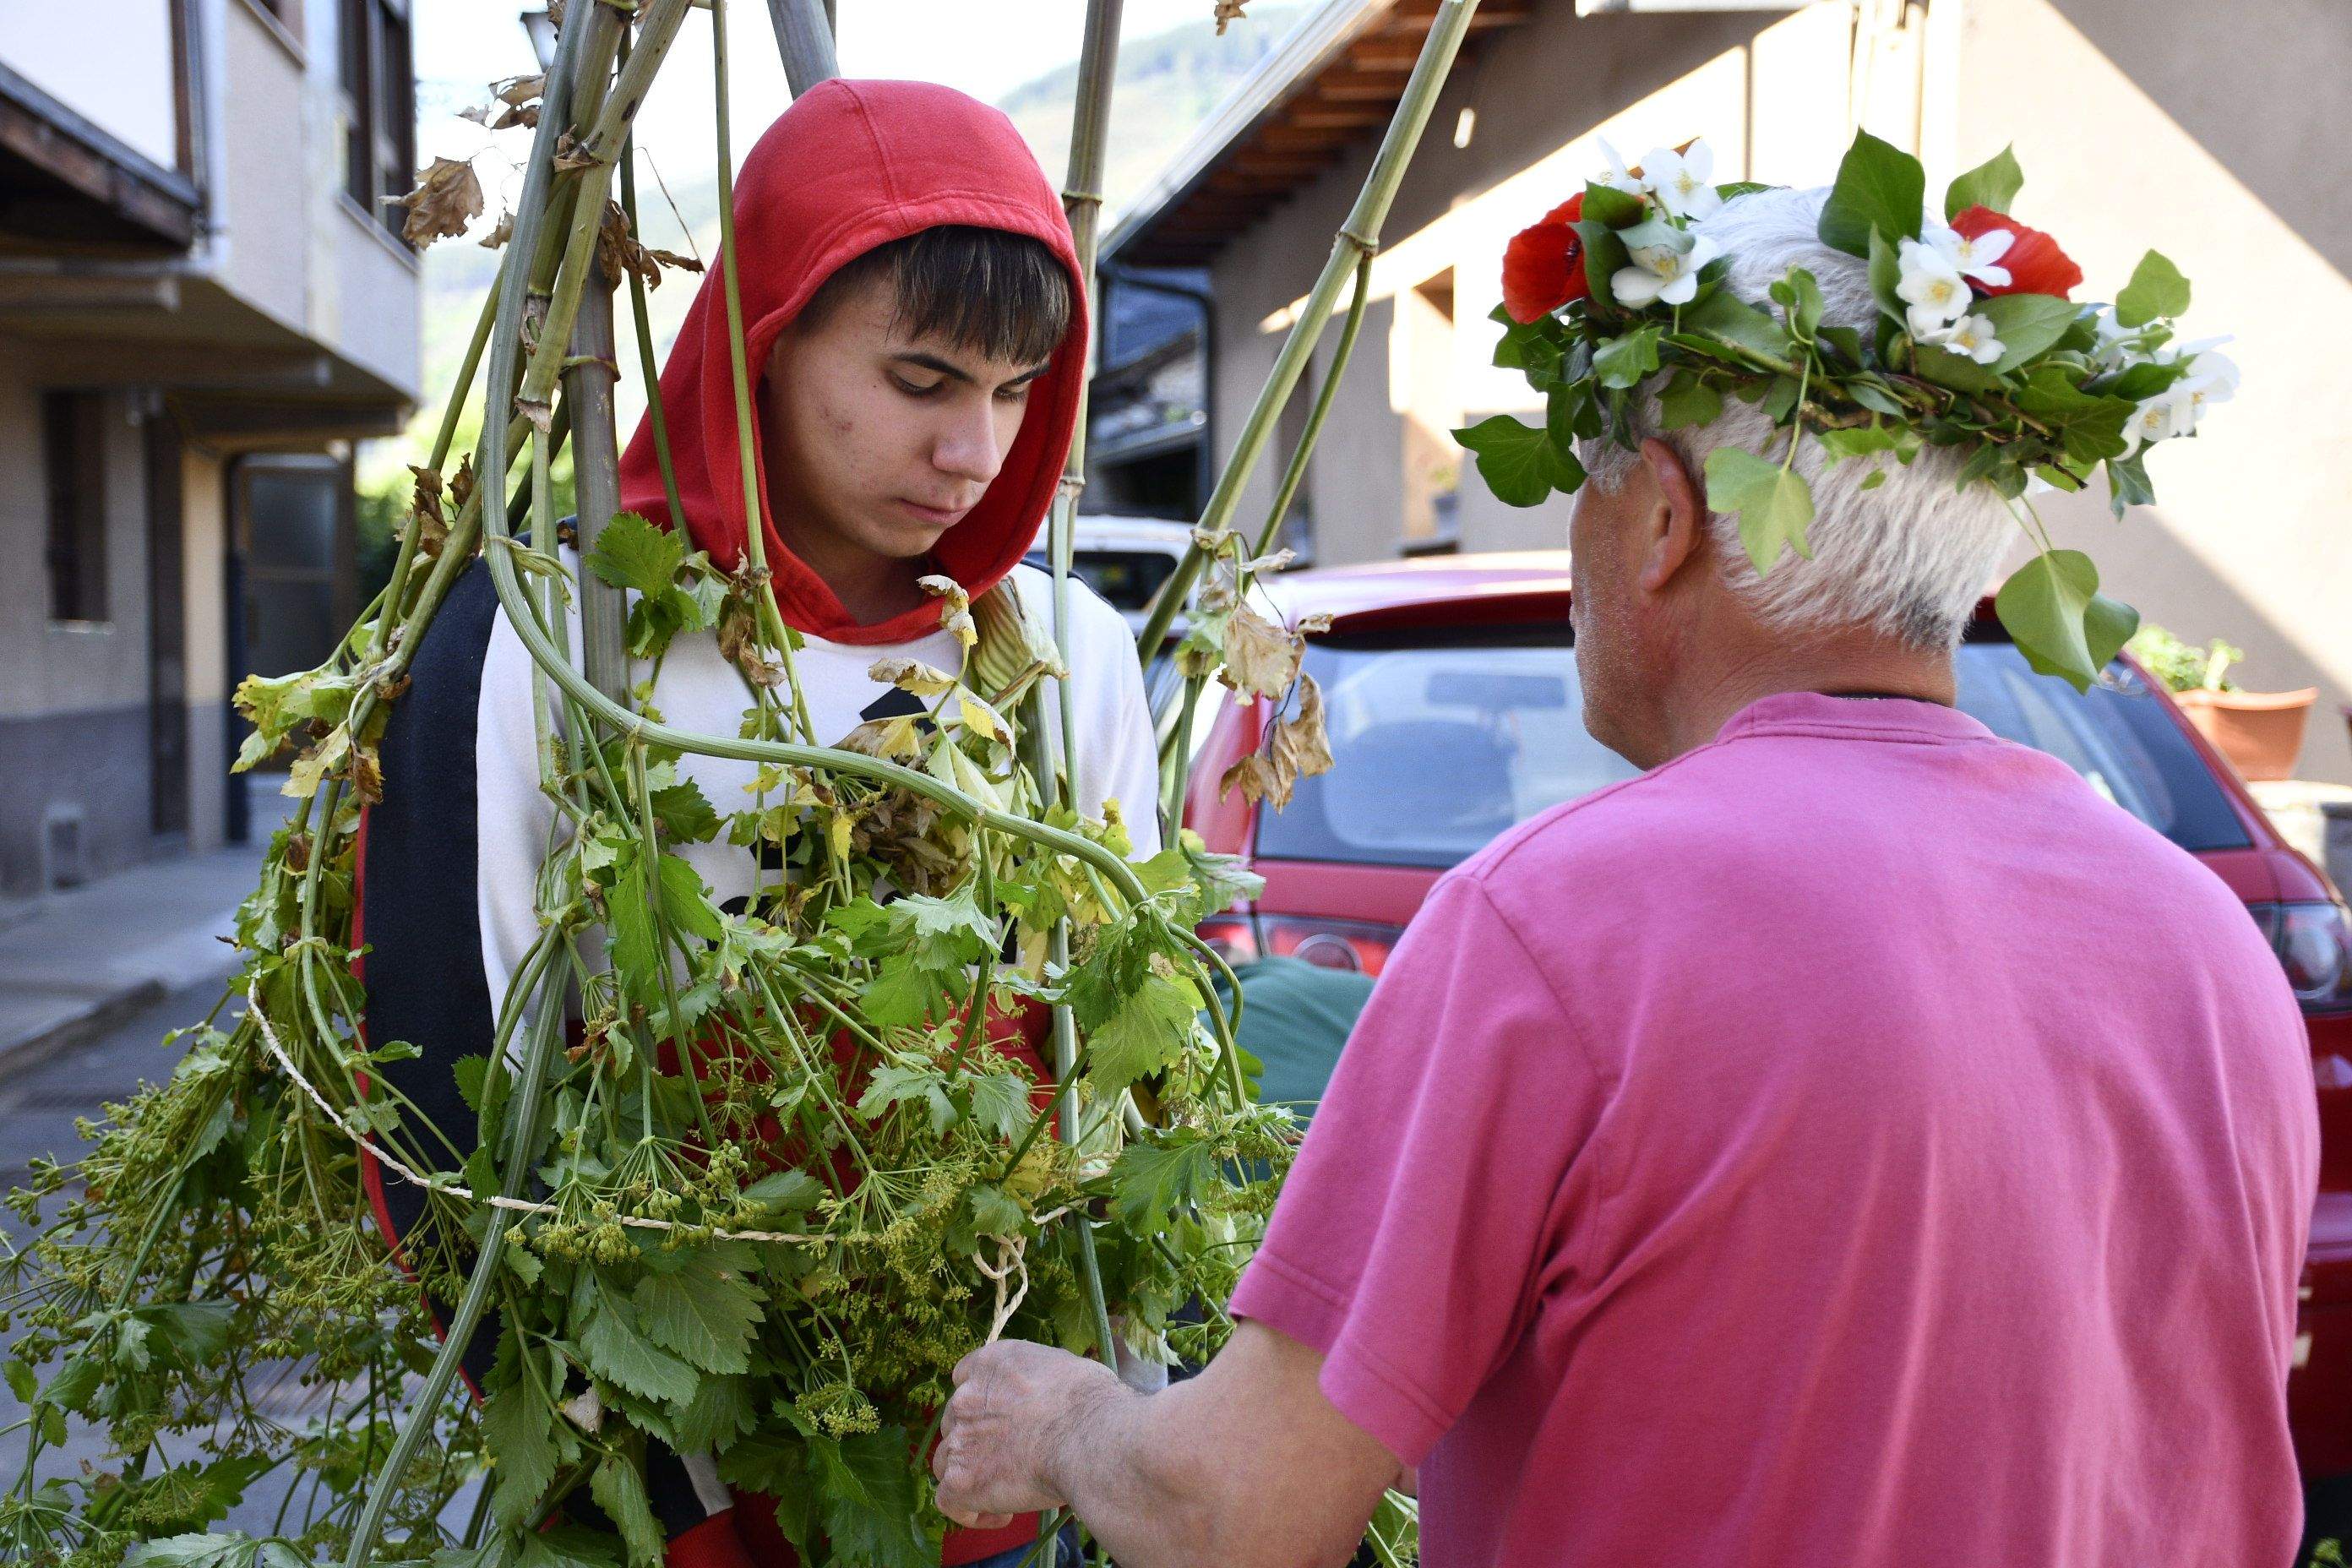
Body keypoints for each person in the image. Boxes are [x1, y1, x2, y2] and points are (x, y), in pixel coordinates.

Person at [929, 184, 2318, 1565]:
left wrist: (1066, 1420)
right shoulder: (2207, 942)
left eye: (1586, 486)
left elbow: (1240, 1510)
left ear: (1659, 518)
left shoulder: (1565, 922)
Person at [356, 80, 1155, 1568]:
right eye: (921, 381)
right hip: (656, 1472)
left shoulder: (1062, 653)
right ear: (763, 338)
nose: (975, 450)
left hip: (976, 1465)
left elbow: (1117, 1047)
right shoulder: (560, 640)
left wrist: (1085, 1421)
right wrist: (658, 1488)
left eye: (1015, 389)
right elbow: (441, 1084)